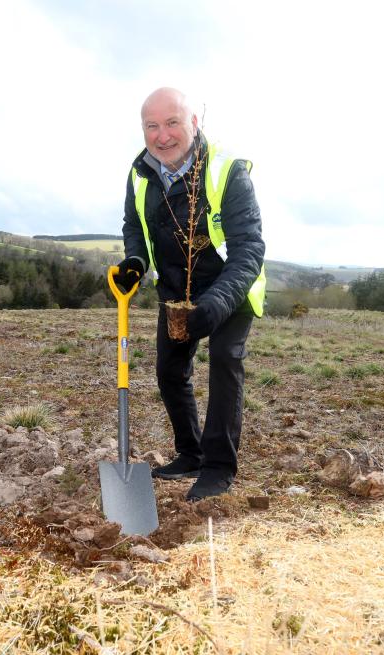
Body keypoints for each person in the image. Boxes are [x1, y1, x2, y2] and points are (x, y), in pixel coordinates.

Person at [114, 87, 266, 501]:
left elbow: (249, 248)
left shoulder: (226, 171)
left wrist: (216, 303)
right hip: (176, 288)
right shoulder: (140, 173)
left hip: (230, 286)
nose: (162, 136)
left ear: (194, 123)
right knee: (169, 370)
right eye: (152, 126)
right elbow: (134, 227)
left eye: (172, 123)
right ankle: (192, 452)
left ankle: (218, 467)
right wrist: (135, 262)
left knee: (224, 360)